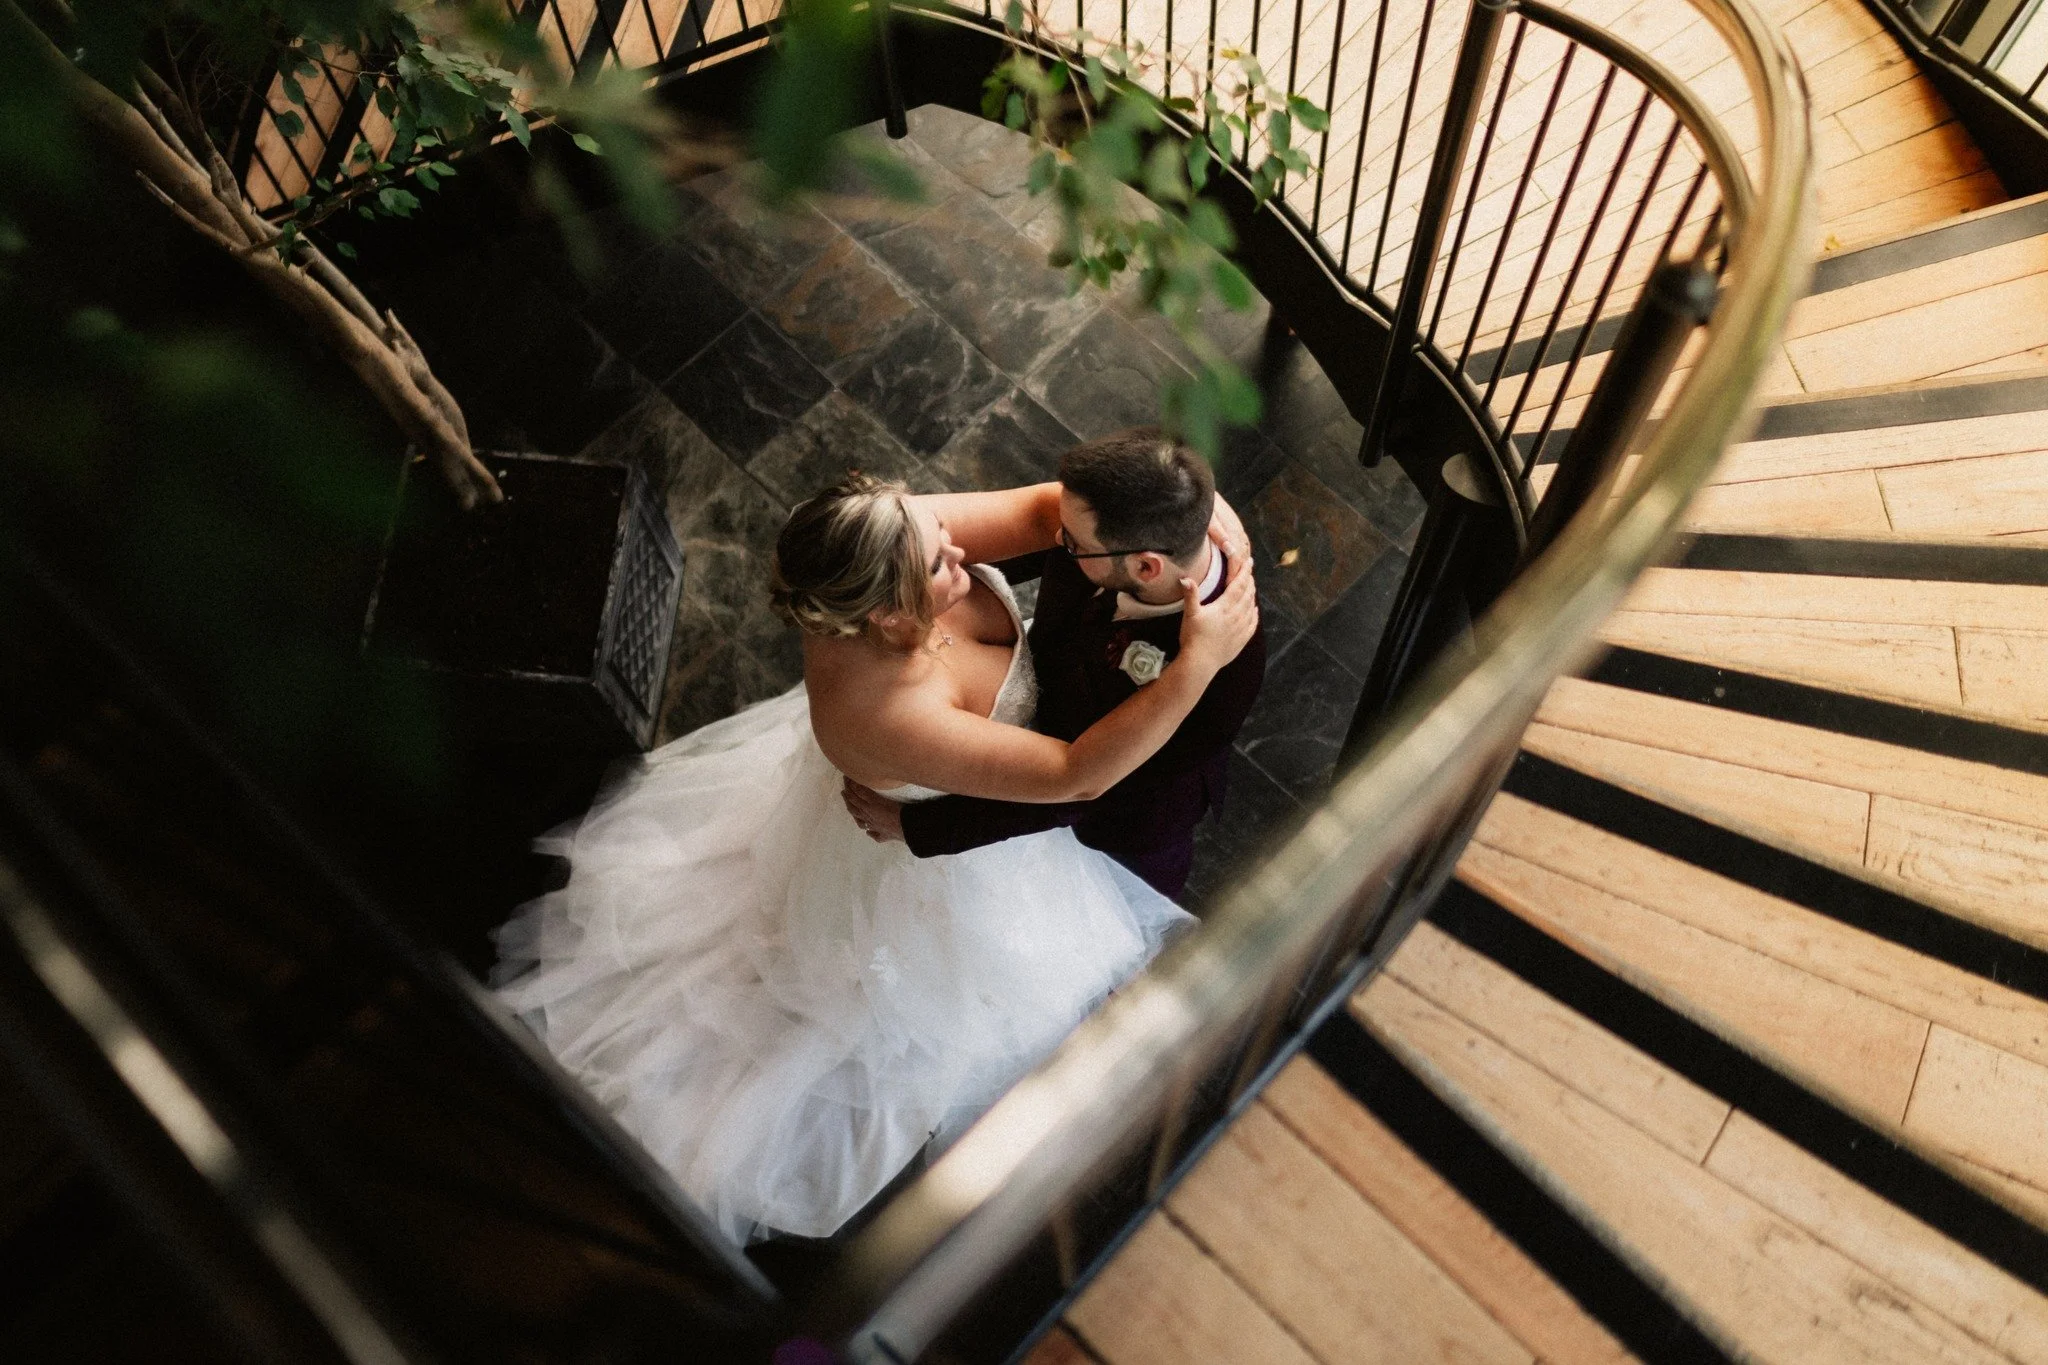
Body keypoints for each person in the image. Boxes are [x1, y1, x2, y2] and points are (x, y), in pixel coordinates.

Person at [489, 470, 1258, 1245]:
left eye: (931, 528)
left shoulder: (882, 540)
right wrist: (1197, 661)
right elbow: (1073, 773)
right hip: (959, 852)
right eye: (939, 563)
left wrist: (1201, 527)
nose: (954, 545)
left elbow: (1041, 508)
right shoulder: (889, 711)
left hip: (996, 767)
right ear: (891, 617)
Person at [844, 429, 1266, 900]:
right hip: (1049, 724)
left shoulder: (1221, 676)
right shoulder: (1106, 531)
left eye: (1073, 543)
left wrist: (921, 828)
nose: (1057, 537)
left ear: (1147, 568)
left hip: (1127, 813)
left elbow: (1083, 789)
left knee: (1136, 896)